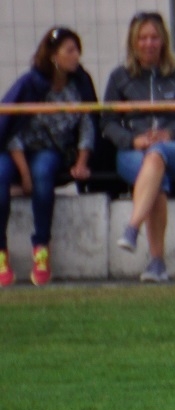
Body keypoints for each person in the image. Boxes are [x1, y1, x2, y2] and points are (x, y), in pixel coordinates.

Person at [102, 11, 175, 283]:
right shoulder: (119, 77)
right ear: (133, 43)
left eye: (154, 37)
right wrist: (132, 140)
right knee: (156, 171)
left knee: (157, 155)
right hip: (132, 152)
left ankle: (132, 227)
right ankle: (157, 264)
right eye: (143, 38)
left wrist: (170, 134)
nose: (149, 43)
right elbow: (107, 122)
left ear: (163, 41)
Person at [0, 27, 98, 287]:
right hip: (16, 149)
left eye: (77, 50)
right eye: (70, 51)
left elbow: (88, 124)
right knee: (1, 178)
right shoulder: (30, 84)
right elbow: (11, 128)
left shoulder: (80, 84)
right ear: (54, 55)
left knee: (44, 175)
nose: (76, 56)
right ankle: (1, 253)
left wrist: (82, 161)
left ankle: (41, 249)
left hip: (50, 149)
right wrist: (24, 174)